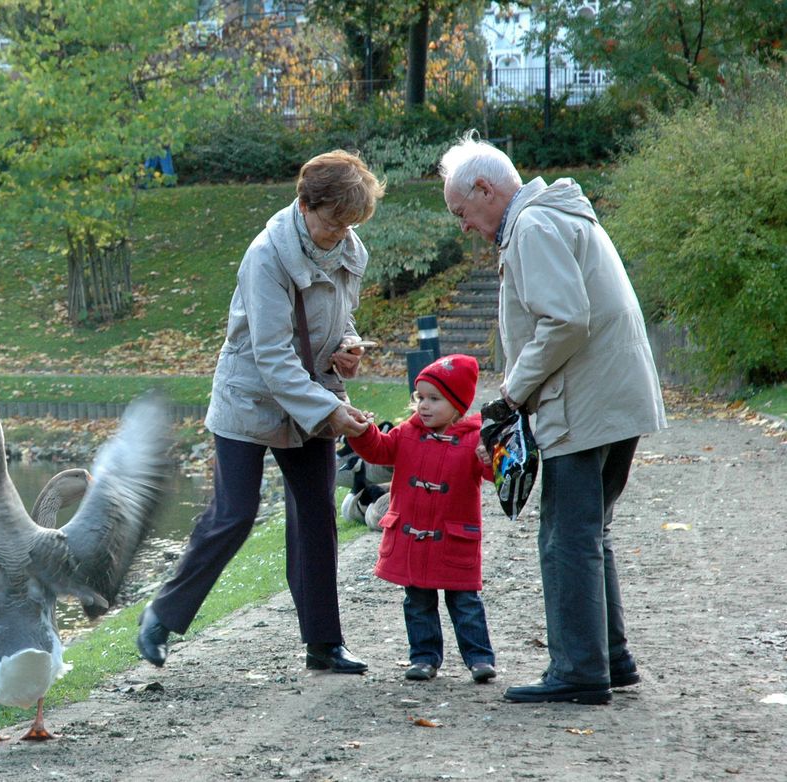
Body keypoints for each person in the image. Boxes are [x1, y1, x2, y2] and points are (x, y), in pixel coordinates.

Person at [438, 132, 667, 705]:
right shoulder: (558, 216)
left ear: (486, 189)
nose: (463, 225)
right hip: (614, 397)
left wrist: (510, 394)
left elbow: (565, 321)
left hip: (583, 404)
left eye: (462, 212)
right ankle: (610, 659)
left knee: (566, 537)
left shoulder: (534, 227)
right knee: (591, 533)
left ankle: (580, 670)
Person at [137, 150, 385, 674]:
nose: (340, 235)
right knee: (235, 513)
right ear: (304, 204)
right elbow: (272, 356)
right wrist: (332, 412)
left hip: (310, 393)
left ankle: (324, 643)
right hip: (249, 395)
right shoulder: (266, 257)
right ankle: (161, 614)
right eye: (332, 223)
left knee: (317, 515)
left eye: (349, 225)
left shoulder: (348, 249)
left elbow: (341, 317)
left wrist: (348, 345)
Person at [345, 353, 498, 684]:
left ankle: (479, 658)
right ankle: (424, 658)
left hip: (454, 539)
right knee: (417, 602)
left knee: (465, 602)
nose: (424, 406)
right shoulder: (406, 433)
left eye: (434, 399)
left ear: (458, 404)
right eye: (420, 398)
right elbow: (379, 451)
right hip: (413, 539)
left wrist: (491, 456)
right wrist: (361, 431)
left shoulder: (474, 439)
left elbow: (492, 476)